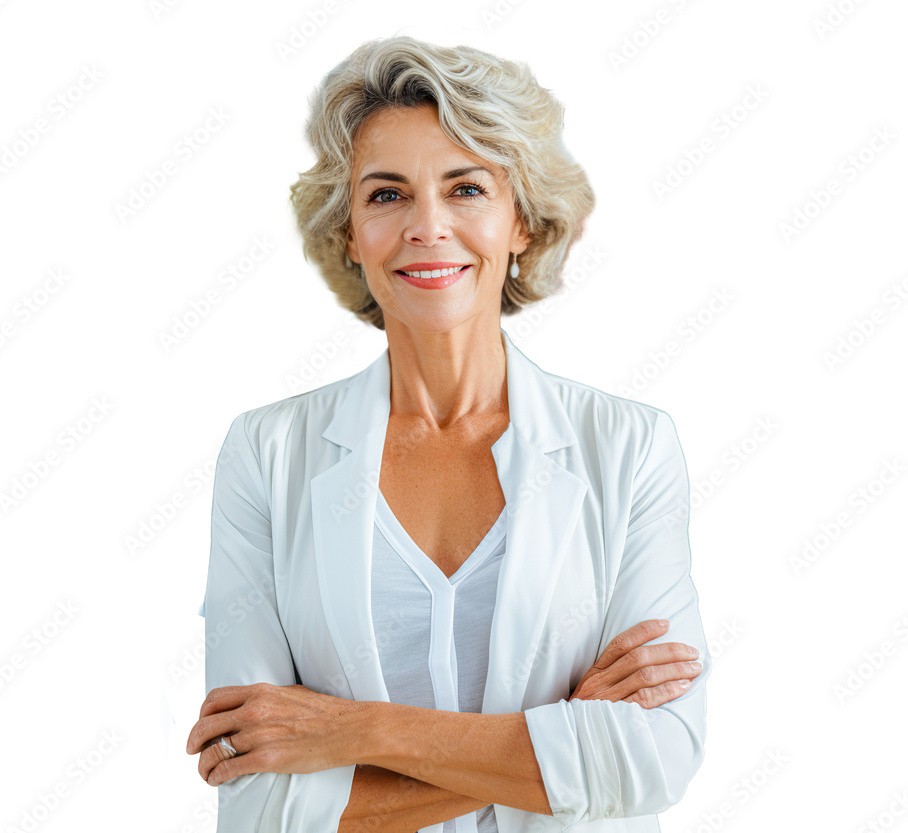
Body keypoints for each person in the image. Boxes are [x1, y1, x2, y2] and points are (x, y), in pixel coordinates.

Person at [186, 34, 711, 833]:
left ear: (521, 221)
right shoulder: (266, 454)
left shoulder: (630, 448)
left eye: (466, 188)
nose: (427, 226)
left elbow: (654, 758)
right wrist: (561, 735)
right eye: (386, 195)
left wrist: (355, 730)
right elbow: (258, 798)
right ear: (350, 232)